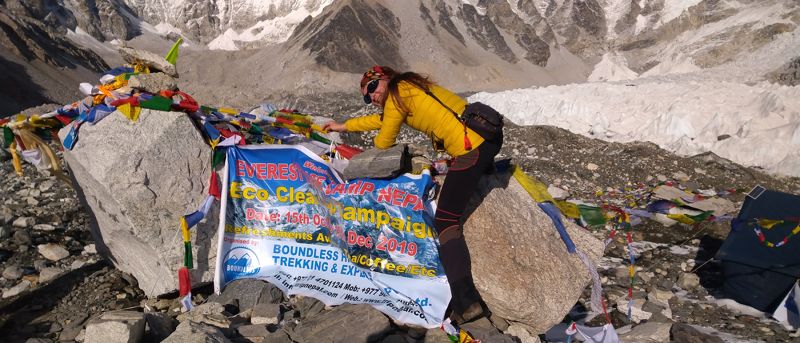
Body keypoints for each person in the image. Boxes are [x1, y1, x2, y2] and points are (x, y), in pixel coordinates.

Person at [324, 66, 504, 324]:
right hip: (486, 136)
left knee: (445, 221)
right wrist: (342, 126)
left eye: (373, 88)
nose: (372, 97)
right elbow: (380, 120)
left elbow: (384, 140)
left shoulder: (398, 94)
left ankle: (466, 302)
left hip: (470, 148)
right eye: (366, 96)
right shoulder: (408, 88)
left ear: (385, 77)